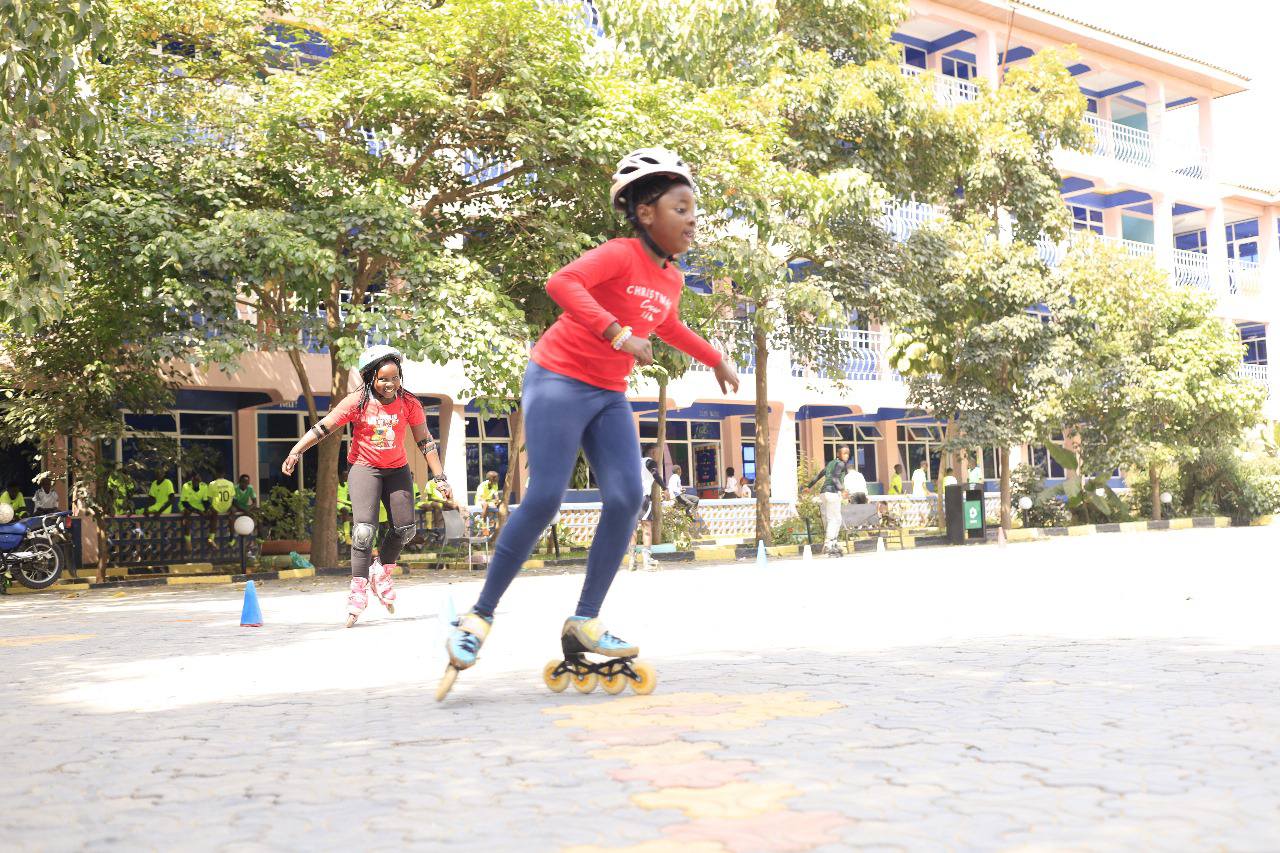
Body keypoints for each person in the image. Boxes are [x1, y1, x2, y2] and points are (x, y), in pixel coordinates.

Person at [441, 147, 739, 698]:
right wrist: (617, 334)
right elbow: (561, 284)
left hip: (607, 393)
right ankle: (477, 617)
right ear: (647, 213)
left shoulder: (669, 278)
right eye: (681, 207)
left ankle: (584, 621)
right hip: (557, 379)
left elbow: (665, 323)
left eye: (694, 206)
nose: (693, 217)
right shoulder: (620, 253)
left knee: (628, 497)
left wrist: (713, 356)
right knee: (546, 496)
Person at [282, 344, 447, 626]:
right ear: (371, 377)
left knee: (406, 529)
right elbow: (323, 427)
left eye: (395, 377)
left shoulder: (409, 403)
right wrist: (296, 450)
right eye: (384, 378)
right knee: (363, 531)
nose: (391, 384)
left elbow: (425, 441)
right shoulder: (356, 402)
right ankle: (358, 590)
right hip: (364, 468)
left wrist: (440, 476)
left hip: (397, 470)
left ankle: (380, 571)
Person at [805, 446, 852, 556]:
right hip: (832, 493)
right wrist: (843, 490)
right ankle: (828, 545)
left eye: (848, 453)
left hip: (824, 493)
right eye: (844, 453)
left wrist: (809, 486)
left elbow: (820, 474)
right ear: (838, 454)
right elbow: (835, 479)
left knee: (838, 519)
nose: (846, 455)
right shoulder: (840, 464)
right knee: (833, 519)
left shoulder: (831, 463)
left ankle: (834, 543)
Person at [631, 455, 659, 571]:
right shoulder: (649, 462)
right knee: (646, 527)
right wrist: (665, 488)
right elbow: (656, 475)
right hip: (643, 498)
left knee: (632, 529)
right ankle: (647, 560)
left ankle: (632, 560)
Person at [179, 472, 215, 551]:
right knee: (187, 514)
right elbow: (185, 503)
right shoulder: (186, 486)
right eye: (194, 480)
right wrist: (198, 511)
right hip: (186, 504)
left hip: (198, 505)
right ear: (192, 480)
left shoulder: (204, 486)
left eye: (198, 480)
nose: (196, 482)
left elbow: (205, 501)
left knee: (213, 513)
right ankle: (188, 541)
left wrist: (207, 510)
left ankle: (211, 539)